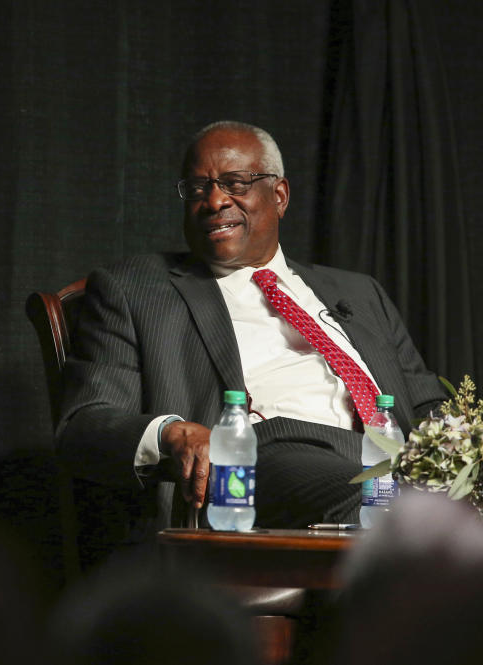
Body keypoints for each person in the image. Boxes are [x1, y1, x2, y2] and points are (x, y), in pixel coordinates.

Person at [57, 121, 447, 545]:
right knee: (386, 507)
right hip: (266, 455)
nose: (215, 200)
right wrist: (173, 432)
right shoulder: (137, 288)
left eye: (235, 183)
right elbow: (84, 425)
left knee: (422, 501)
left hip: (391, 458)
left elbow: (425, 402)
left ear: (279, 196)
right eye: (198, 188)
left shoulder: (357, 291)